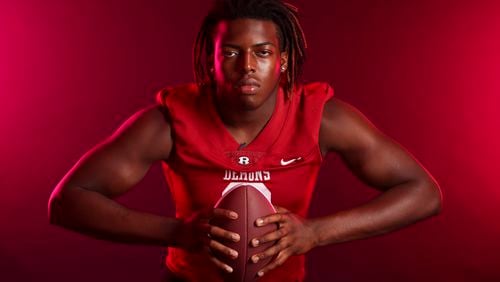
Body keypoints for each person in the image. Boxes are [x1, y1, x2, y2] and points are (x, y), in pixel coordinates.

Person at [48, 0, 442, 281]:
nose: (248, 66)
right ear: (211, 60)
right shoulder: (168, 122)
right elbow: (68, 201)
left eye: (263, 52)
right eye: (232, 52)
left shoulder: (322, 118)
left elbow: (424, 193)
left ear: (283, 60)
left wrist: (316, 233)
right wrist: (179, 232)